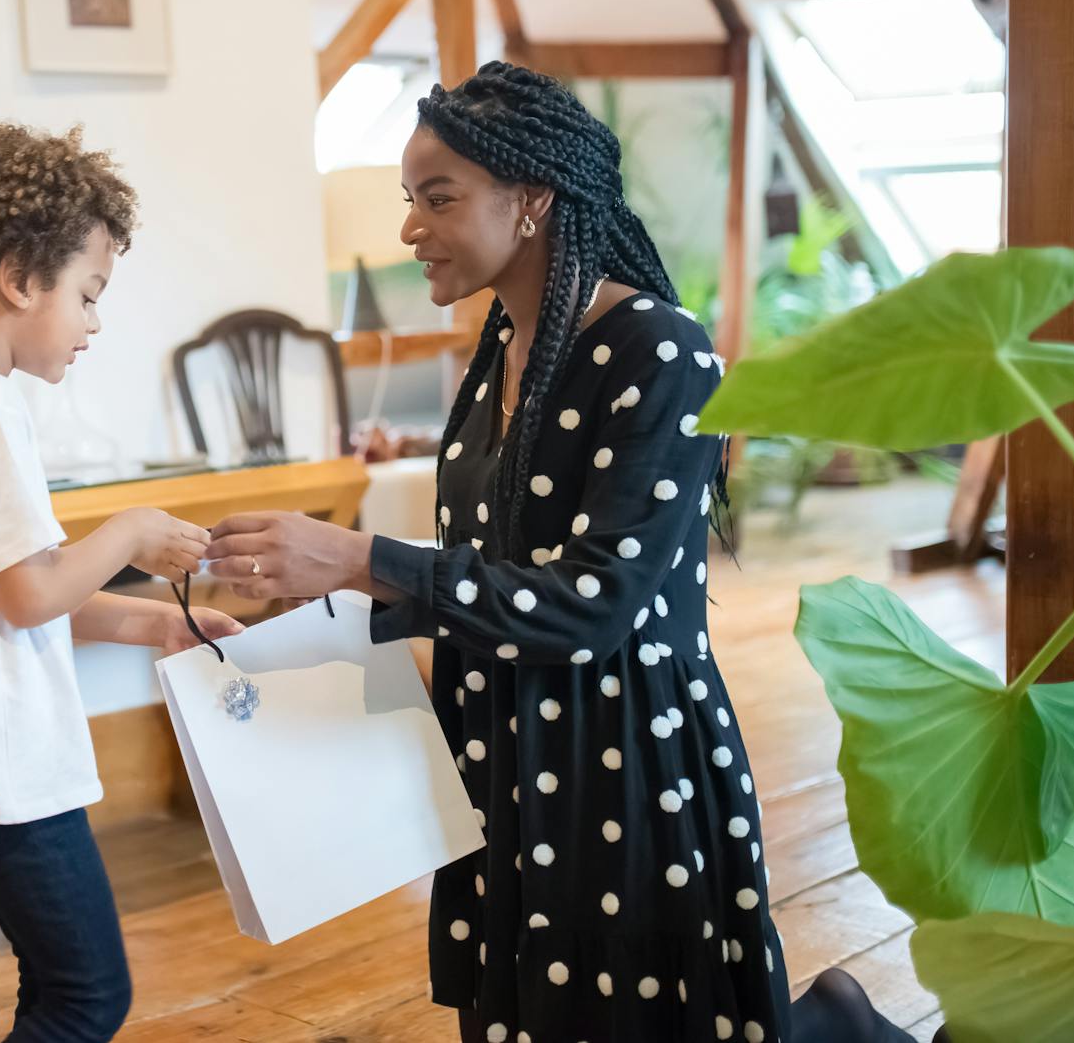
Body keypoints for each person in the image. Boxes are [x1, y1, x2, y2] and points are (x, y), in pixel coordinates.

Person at [205, 63, 915, 1043]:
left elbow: (592, 601)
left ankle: (836, 1029)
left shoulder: (661, 352)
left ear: (530, 198)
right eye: (408, 199)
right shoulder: (502, 349)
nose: (409, 227)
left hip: (619, 759)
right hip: (501, 749)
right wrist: (314, 604)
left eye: (436, 197)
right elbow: (495, 569)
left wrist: (361, 559)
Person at [0, 121, 242, 1042]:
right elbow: (33, 594)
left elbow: (13, 596)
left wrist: (158, 628)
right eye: (88, 292)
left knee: (58, 988)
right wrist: (132, 530)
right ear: (21, 278)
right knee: (87, 999)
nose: (95, 322)